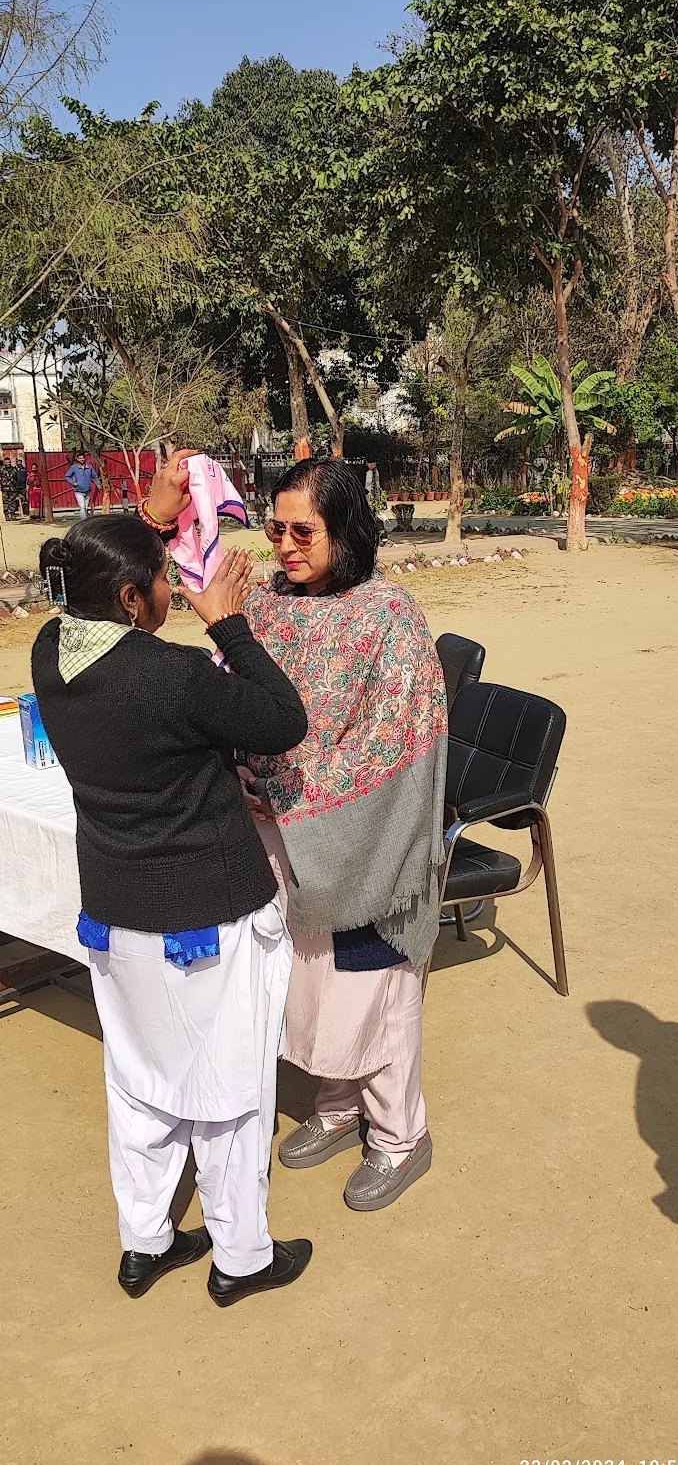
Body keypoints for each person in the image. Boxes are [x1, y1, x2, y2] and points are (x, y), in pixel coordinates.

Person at [32, 450, 312, 1307]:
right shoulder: (176, 676)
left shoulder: (52, 652)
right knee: (229, 1089)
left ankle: (145, 1241)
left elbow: (95, 586)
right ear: (131, 601)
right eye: (160, 579)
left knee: (140, 1082)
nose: (170, 589)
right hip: (208, 912)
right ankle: (242, 1256)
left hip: (116, 914)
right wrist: (227, 623)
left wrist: (153, 521)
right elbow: (282, 720)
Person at [240, 458, 448, 1212]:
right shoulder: (266, 603)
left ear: (347, 530)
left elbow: (394, 740)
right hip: (281, 837)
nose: (285, 546)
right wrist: (242, 765)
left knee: (371, 983)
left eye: (304, 532)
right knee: (309, 979)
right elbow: (231, 691)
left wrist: (291, 791)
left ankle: (399, 1135)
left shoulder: (389, 616)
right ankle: (336, 1105)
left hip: (362, 836)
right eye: (276, 530)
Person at [65, 451, 102, 519]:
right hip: (78, 490)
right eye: (80, 458)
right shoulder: (74, 467)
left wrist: (98, 484)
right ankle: (83, 521)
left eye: (82, 458)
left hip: (88, 490)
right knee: (82, 507)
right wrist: (73, 483)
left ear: (85, 458)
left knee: (85, 507)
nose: (81, 459)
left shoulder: (89, 467)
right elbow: (67, 476)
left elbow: (95, 476)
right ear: (77, 459)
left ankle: (84, 519)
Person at [0, 455, 18, 519]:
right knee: (5, 502)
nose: (8, 463)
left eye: (9, 462)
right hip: (4, 488)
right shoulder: (1, 470)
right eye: (7, 462)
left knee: (12, 502)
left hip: (12, 488)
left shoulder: (14, 469)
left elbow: (16, 478)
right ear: (4, 463)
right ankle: (7, 515)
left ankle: (12, 514)